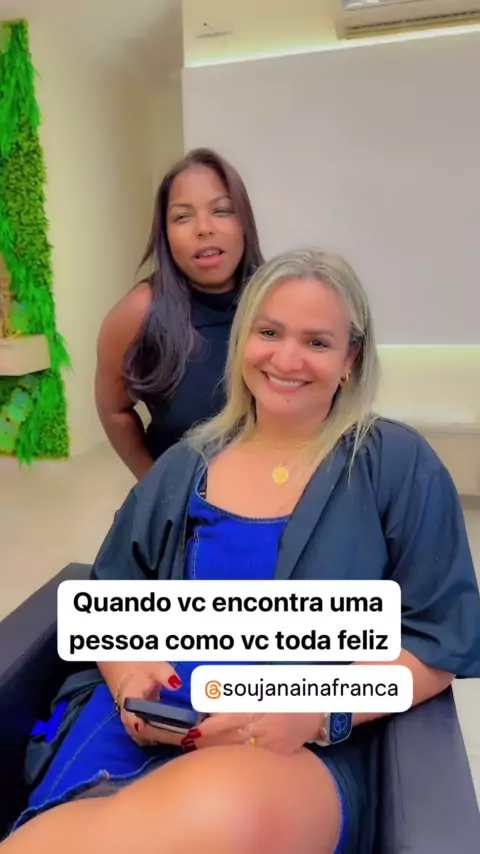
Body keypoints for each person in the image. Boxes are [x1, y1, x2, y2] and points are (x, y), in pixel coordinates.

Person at [4, 249, 480, 854]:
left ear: (350, 359)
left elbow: (439, 641)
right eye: (269, 332)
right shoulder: (183, 466)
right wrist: (129, 680)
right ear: (243, 340)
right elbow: (109, 601)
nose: (286, 359)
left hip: (294, 746)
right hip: (146, 729)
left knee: (222, 815)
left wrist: (313, 712)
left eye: (316, 342)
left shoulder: (397, 466)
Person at [95, 147, 263, 480]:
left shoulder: (276, 300)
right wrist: (156, 487)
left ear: (244, 221)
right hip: (188, 502)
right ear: (165, 234)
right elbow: (114, 410)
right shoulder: (136, 314)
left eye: (221, 210)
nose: (204, 228)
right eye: (183, 217)